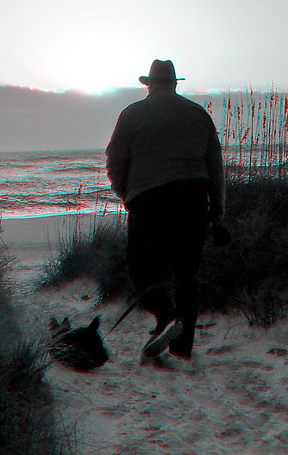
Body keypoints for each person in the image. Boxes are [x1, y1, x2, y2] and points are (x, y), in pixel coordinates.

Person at [106, 59, 226, 360]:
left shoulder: (131, 114)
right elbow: (216, 168)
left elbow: (115, 161)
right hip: (193, 198)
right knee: (187, 274)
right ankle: (182, 347)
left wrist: (126, 194)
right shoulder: (198, 114)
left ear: (149, 84)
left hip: (148, 200)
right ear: (174, 83)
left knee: (141, 267)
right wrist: (217, 213)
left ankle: (165, 315)